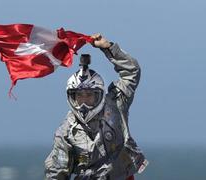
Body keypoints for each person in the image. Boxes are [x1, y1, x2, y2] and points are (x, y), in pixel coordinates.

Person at [44, 34, 148, 180]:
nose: (84, 102)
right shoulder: (66, 130)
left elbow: (132, 72)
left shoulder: (116, 104)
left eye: (89, 95)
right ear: (71, 97)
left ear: (99, 95)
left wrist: (109, 48)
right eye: (79, 96)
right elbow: (56, 172)